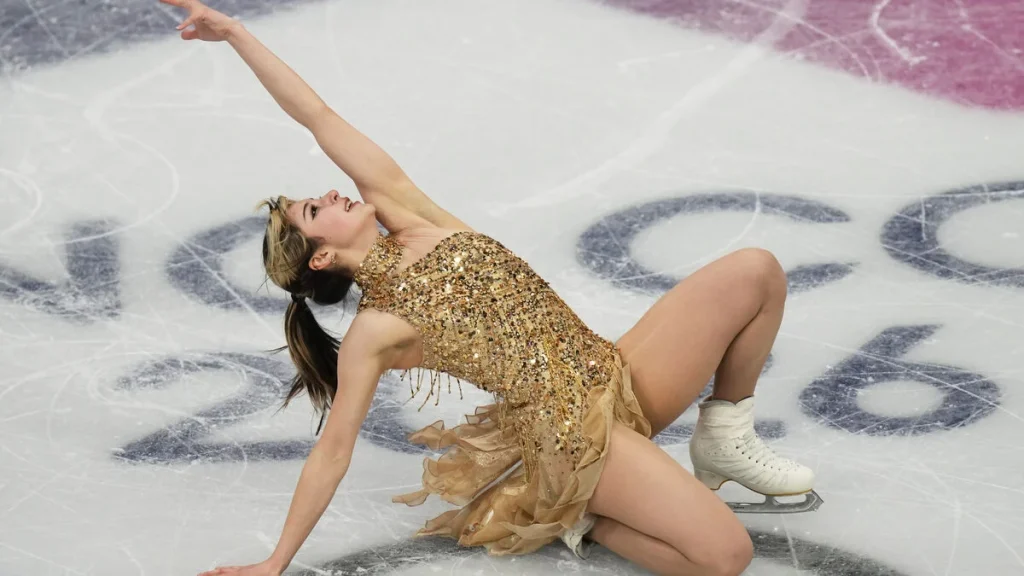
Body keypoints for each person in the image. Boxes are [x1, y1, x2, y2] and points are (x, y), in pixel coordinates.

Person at [161, 2, 821, 575]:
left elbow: (317, 115)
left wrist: (236, 33)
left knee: (754, 270)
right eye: (315, 208)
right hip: (568, 435)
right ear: (324, 257)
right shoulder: (377, 329)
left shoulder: (415, 217)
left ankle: (723, 435)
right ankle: (579, 514)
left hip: (612, 375)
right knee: (724, 557)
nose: (332, 192)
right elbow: (333, 453)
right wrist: (275, 562)